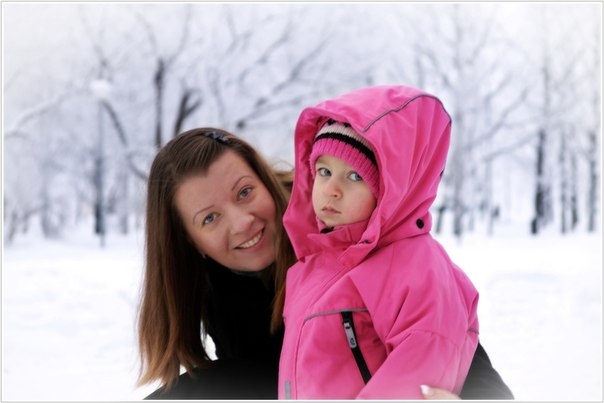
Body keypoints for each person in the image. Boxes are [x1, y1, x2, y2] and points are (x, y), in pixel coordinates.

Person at [136, 127, 513, 399]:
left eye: (245, 192)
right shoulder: (210, 287)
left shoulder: (348, 235)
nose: (242, 222)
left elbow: (444, 338)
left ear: (265, 181)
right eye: (209, 218)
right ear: (188, 241)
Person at [278, 85, 482, 399]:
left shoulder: (416, 269)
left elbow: (419, 375)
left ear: (391, 190)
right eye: (324, 171)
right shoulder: (313, 264)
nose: (331, 189)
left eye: (355, 176)